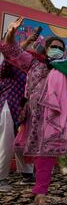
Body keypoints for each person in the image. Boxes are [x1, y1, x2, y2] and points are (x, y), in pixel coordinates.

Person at [0, 17, 67, 205]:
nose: (57, 49)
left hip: (53, 117)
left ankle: (41, 191)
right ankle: (36, 187)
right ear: (46, 48)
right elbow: (13, 51)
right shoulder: (33, 62)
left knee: (46, 152)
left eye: (60, 47)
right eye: (53, 46)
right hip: (33, 115)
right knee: (28, 150)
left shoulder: (66, 67)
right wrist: (11, 34)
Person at [0, 32, 38, 191]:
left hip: (24, 109)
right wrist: (27, 41)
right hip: (9, 106)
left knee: (22, 143)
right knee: (6, 143)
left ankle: (27, 174)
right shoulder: (8, 65)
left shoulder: (30, 70)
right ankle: (1, 177)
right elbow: (11, 54)